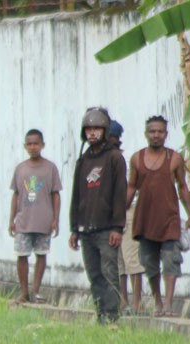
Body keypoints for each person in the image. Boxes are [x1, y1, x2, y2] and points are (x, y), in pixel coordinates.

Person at [127, 115, 190, 317]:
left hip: (169, 220)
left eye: (160, 132)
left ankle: (168, 305)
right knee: (149, 263)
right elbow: (131, 187)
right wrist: (120, 214)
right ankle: (157, 301)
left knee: (170, 261)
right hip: (145, 220)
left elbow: (183, 187)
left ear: (166, 134)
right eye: (152, 131)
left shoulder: (174, 158)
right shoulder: (136, 159)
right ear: (146, 134)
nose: (156, 135)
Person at [68, 107, 127, 324]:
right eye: (89, 129)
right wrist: (74, 228)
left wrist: (117, 228)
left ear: (105, 130)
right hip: (86, 231)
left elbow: (120, 194)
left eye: (97, 129)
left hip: (107, 229)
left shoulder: (115, 159)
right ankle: (100, 315)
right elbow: (76, 196)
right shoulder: (83, 161)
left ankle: (112, 317)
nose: (92, 133)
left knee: (110, 273)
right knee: (94, 276)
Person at [9, 129, 62, 304]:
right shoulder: (21, 168)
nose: (33, 147)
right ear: (25, 146)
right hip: (23, 221)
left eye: (36, 143)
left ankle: (35, 291)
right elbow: (16, 195)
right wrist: (12, 219)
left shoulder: (50, 168)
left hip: (44, 220)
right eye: (29, 144)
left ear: (43, 145)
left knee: (41, 254)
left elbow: (56, 194)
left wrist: (55, 219)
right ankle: (24, 292)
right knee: (22, 255)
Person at [109, 121, 144, 315]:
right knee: (119, 261)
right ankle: (123, 301)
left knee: (132, 258)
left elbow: (131, 190)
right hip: (112, 215)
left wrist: (120, 211)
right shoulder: (104, 161)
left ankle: (137, 302)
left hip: (128, 211)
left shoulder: (125, 160)